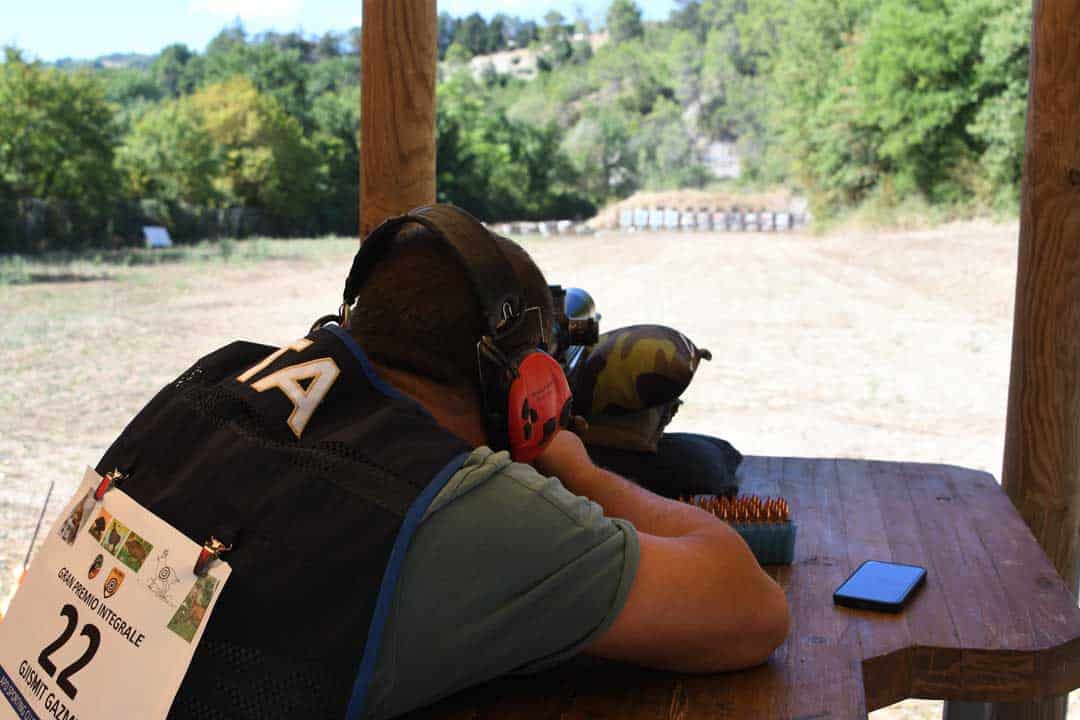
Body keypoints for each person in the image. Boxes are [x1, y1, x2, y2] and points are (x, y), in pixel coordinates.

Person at [96, 204, 790, 720]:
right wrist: (575, 470)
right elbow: (750, 609)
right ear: (523, 390)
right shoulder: (450, 503)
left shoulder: (215, 383)